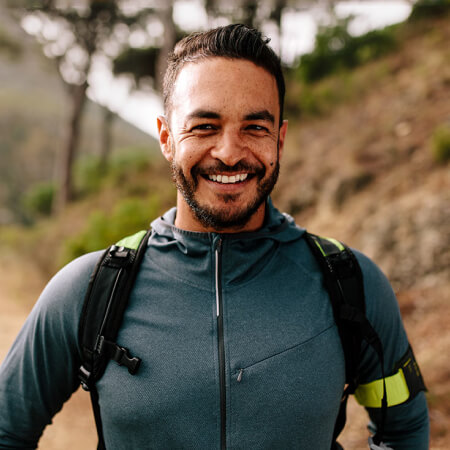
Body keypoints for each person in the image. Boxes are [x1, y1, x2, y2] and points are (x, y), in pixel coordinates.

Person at [0, 24, 429, 449]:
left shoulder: (351, 284)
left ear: (280, 140)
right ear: (167, 138)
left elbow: (404, 430)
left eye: (255, 128)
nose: (229, 152)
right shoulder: (90, 290)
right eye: (205, 126)